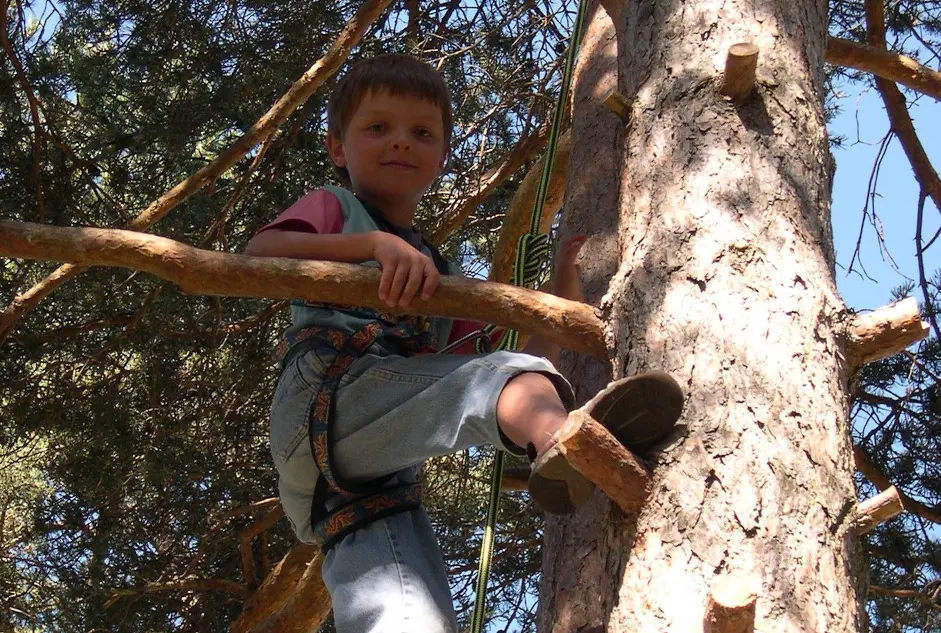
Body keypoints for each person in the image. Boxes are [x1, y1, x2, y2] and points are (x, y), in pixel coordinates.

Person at [244, 53, 683, 633]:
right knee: (501, 380)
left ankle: (559, 441)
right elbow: (259, 255)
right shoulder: (337, 209)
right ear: (337, 149)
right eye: (378, 127)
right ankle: (562, 440)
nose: (400, 141)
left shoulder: (434, 274)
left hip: (358, 485)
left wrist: (558, 300)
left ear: (441, 157)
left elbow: (503, 374)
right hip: (329, 395)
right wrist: (373, 246)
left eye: (421, 132)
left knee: (406, 612)